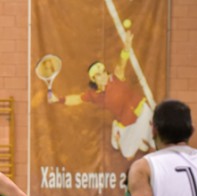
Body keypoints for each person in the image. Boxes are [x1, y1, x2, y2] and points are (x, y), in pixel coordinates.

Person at [49, 30, 155, 161]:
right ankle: (119, 131)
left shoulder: (116, 78)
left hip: (143, 111)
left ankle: (140, 137)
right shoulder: (93, 95)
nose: (104, 75)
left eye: (104, 71)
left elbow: (121, 63)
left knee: (154, 144)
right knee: (128, 155)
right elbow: (77, 98)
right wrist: (58, 99)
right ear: (93, 79)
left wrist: (126, 48)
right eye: (99, 74)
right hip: (126, 122)